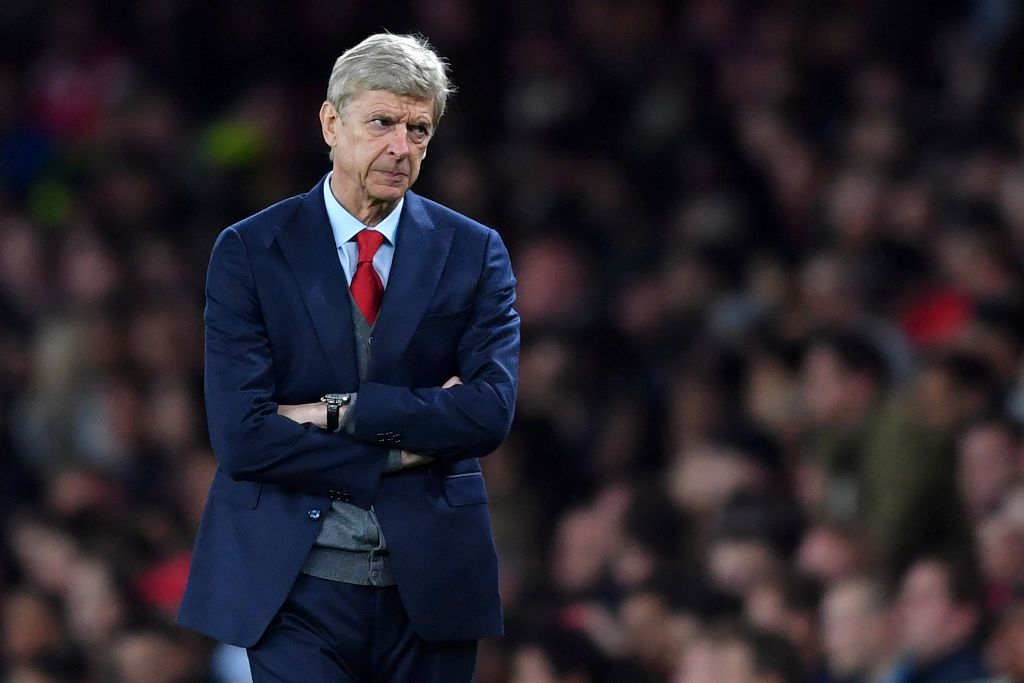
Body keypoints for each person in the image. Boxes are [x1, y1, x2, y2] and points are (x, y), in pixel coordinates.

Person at [175, 33, 520, 683]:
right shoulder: (250, 251)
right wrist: (404, 447)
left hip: (432, 584)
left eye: (419, 129)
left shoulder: (474, 251)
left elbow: (489, 414)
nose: (401, 146)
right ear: (332, 123)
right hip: (292, 585)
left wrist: (336, 413)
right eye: (383, 122)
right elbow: (245, 437)